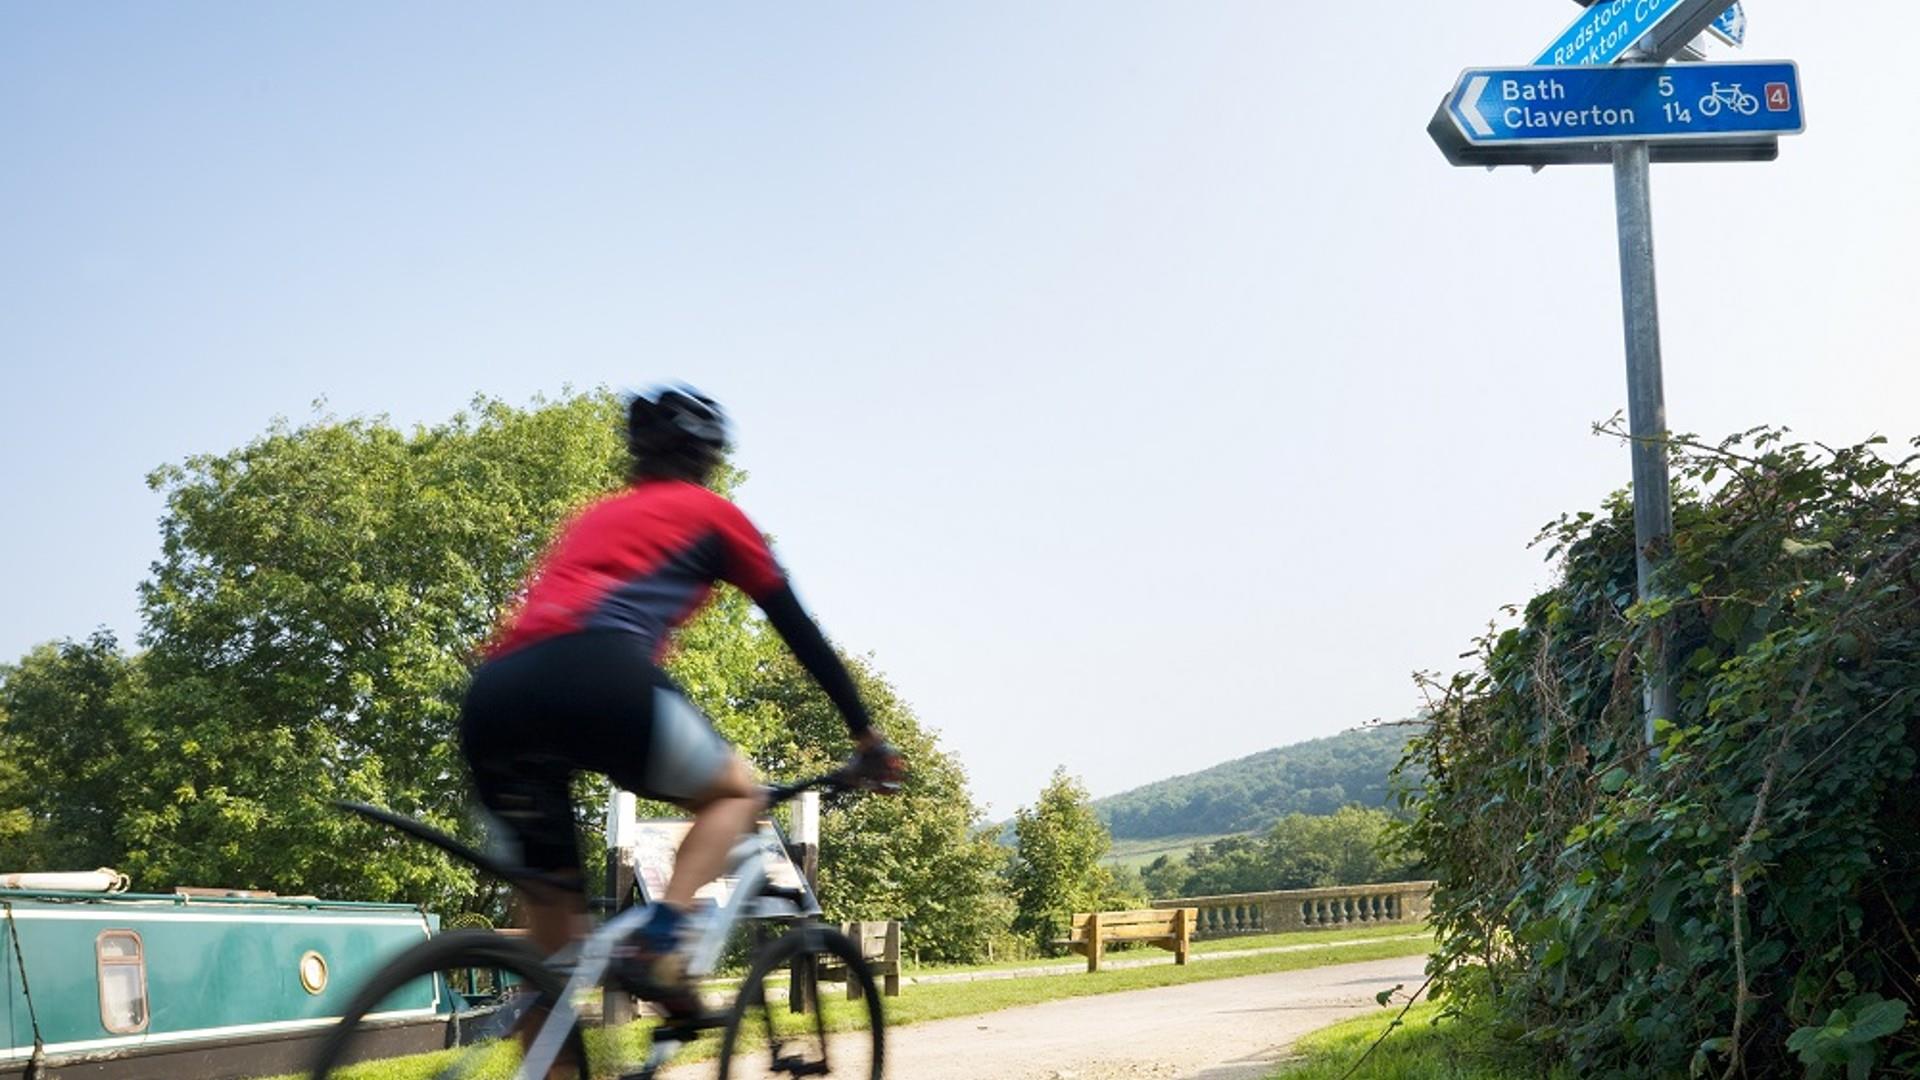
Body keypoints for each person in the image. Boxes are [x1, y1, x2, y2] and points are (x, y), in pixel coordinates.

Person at [459, 383, 901, 1016]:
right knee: (737, 791)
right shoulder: (715, 516)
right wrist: (866, 735)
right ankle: (661, 940)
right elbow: (799, 631)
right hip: (600, 674)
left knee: (554, 965)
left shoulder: (594, 516)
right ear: (708, 461)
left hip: (496, 698)